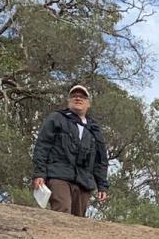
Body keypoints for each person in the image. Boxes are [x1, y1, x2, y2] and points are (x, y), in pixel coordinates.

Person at [31, 83, 108, 217]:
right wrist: (39, 173)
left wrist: (102, 185)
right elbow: (42, 145)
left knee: (78, 220)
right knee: (62, 212)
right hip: (58, 175)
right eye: (74, 96)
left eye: (82, 96)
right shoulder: (56, 118)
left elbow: (100, 159)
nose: (78, 98)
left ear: (88, 103)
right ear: (69, 101)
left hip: (83, 180)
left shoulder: (94, 129)